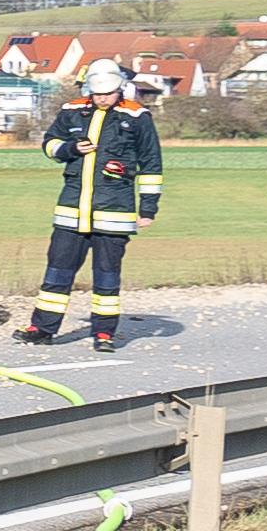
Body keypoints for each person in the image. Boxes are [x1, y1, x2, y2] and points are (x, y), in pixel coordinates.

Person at [29, 58, 167, 346]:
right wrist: (69, 148)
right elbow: (49, 144)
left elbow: (151, 164)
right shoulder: (72, 111)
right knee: (57, 273)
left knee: (106, 277)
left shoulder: (138, 116)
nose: (102, 98)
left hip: (114, 212)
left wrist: (148, 208)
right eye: (97, 93)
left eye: (108, 93)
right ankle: (42, 329)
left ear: (120, 89)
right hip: (71, 212)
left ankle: (104, 332)